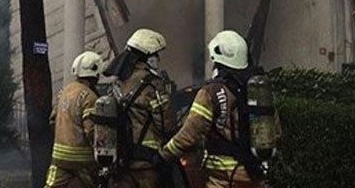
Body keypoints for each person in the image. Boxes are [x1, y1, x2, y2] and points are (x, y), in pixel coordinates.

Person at [158, 30, 276, 188]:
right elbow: (276, 132)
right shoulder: (258, 90)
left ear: (217, 60)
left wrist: (163, 155)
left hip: (224, 178)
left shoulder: (211, 92)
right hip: (255, 173)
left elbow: (190, 134)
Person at [103, 29, 175, 188]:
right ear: (146, 56)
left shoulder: (117, 84)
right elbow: (166, 124)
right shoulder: (153, 84)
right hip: (146, 163)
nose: (158, 58)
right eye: (155, 54)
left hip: (120, 163)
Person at [46, 51, 104, 188]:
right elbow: (91, 130)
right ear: (95, 75)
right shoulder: (90, 96)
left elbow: (52, 120)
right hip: (82, 160)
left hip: (59, 157)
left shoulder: (64, 91)